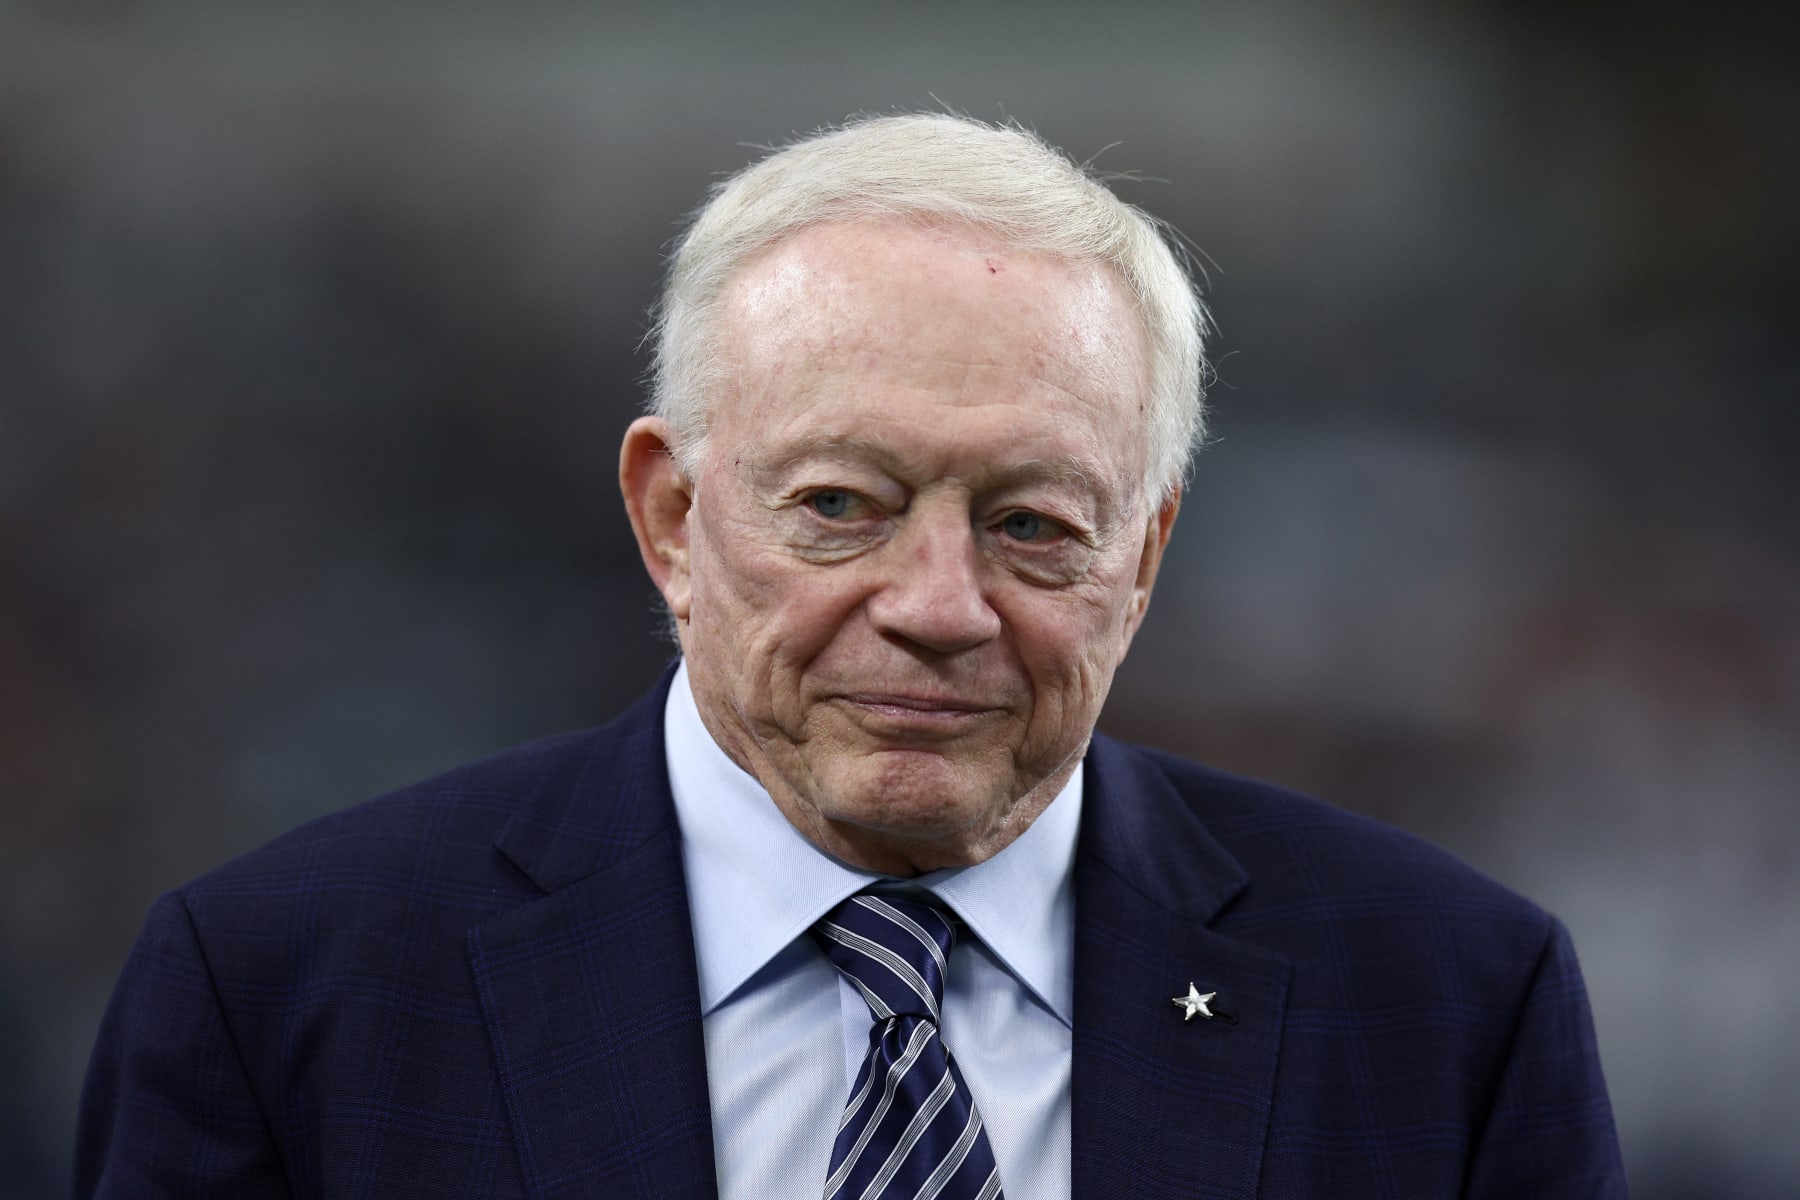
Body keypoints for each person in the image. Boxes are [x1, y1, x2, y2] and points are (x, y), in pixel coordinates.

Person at [76, 113, 1626, 1199]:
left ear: (1142, 562)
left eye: (1031, 523)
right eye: (841, 506)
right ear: (673, 518)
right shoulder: (288, 992)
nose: (939, 603)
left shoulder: (1444, 1004)